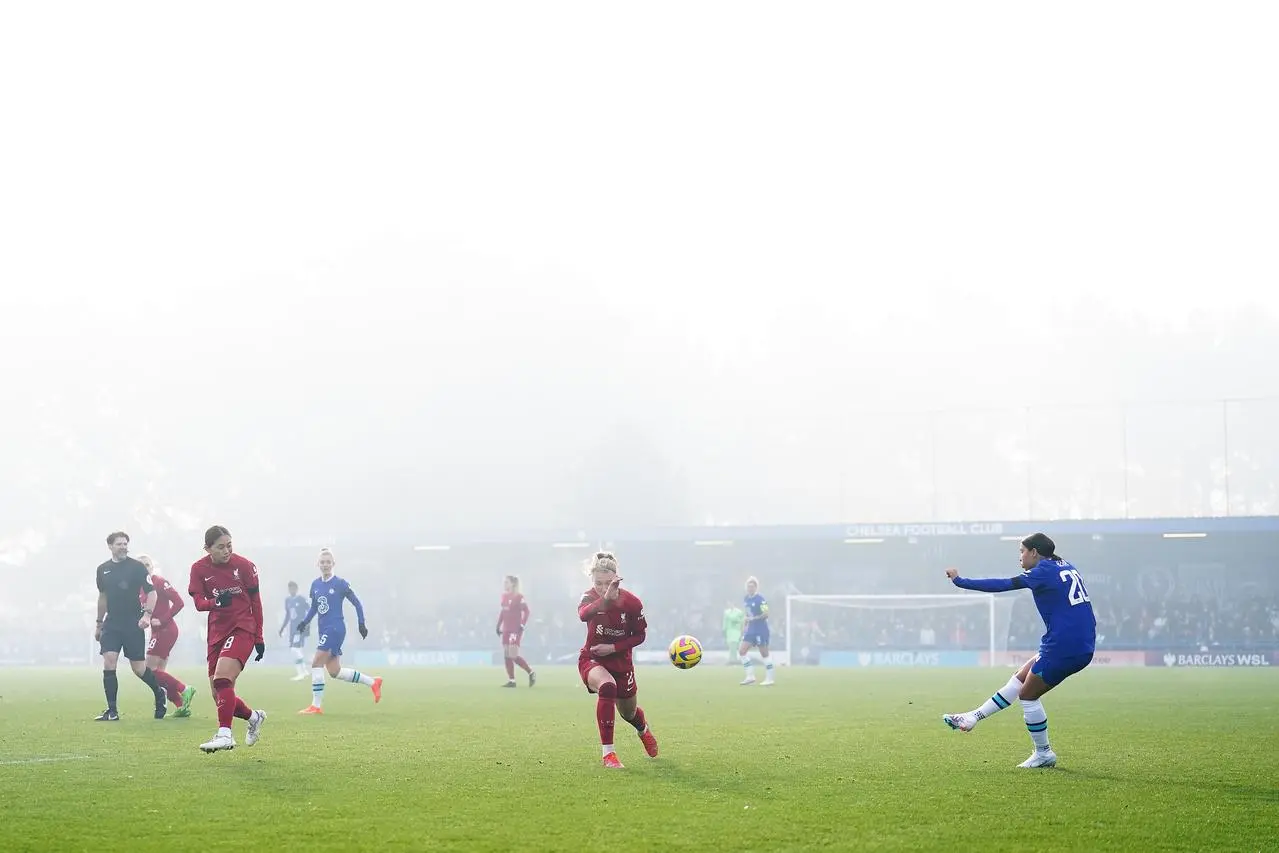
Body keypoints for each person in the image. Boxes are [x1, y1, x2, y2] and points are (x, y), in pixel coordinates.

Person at [942, 532, 1097, 768]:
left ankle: (1044, 753)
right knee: (1019, 679)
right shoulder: (1064, 565)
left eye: (1022, 551)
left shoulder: (1042, 572)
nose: (1020, 557)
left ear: (1035, 552)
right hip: (1074, 641)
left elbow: (1004, 584)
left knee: (1028, 695)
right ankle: (973, 716)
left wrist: (960, 581)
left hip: (1065, 645)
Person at [188, 525, 267, 753]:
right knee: (219, 693)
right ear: (207, 549)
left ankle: (225, 734)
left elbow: (256, 603)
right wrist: (216, 603)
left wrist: (259, 636)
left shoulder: (245, 566)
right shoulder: (199, 569)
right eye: (220, 547)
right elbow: (199, 603)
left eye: (229, 545)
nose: (226, 551)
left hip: (243, 628)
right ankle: (254, 718)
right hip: (216, 633)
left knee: (223, 680)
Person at [577, 551, 659, 769]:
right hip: (592, 659)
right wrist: (604, 600)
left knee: (629, 713)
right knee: (606, 686)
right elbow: (583, 615)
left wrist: (613, 647)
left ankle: (643, 729)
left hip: (621, 663)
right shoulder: (589, 597)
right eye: (598, 583)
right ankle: (609, 754)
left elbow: (640, 635)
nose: (603, 588)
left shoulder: (632, 603)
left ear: (616, 578)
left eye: (607, 583)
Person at [296, 548, 382, 714]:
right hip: (324, 630)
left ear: (333, 564)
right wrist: (304, 622)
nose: (325, 565)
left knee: (316, 663)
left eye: (328, 562)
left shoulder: (340, 583)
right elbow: (314, 607)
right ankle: (373, 682)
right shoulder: (315, 584)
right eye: (322, 562)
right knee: (335, 671)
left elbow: (357, 603)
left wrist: (361, 624)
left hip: (335, 628)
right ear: (318, 564)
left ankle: (316, 706)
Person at [94, 531, 168, 721]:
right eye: (119, 544)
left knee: (139, 669)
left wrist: (147, 615)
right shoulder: (102, 570)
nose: (124, 547)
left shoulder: (136, 567)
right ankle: (112, 711)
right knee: (109, 661)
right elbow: (103, 597)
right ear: (110, 546)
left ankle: (160, 694)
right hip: (112, 623)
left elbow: (152, 593)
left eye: (126, 543)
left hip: (132, 623)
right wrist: (99, 623)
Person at [137, 554, 196, 717]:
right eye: (141, 566)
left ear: (152, 567)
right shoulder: (140, 588)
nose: (145, 568)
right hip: (158, 631)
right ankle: (180, 706)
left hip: (166, 630)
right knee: (159, 676)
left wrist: (162, 620)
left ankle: (184, 689)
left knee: (149, 670)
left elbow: (179, 602)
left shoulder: (160, 582)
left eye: (147, 565)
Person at [496, 575, 535, 688]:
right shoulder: (504, 596)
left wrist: (522, 624)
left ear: (512, 584)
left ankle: (530, 672)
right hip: (506, 629)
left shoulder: (518, 597)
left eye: (506, 582)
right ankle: (512, 680)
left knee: (512, 654)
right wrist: (498, 626)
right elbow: (503, 612)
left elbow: (526, 611)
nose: (504, 584)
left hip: (515, 629)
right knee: (506, 655)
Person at [739, 576, 775, 686]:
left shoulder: (760, 599)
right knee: (742, 651)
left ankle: (770, 678)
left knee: (764, 653)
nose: (750, 588)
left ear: (756, 587)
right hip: (751, 630)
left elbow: (766, 614)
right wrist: (745, 625)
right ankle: (750, 676)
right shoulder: (746, 599)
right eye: (748, 586)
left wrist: (754, 619)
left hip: (760, 629)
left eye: (752, 586)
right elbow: (747, 613)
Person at [279, 581, 311, 681]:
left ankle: (300, 673)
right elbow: (288, 615)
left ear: (296, 589)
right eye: (290, 588)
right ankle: (305, 671)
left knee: (294, 649)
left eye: (293, 588)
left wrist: (306, 624)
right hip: (292, 629)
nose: (291, 590)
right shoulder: (287, 600)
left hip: (300, 628)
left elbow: (310, 610)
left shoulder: (301, 599)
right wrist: (282, 628)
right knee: (297, 649)